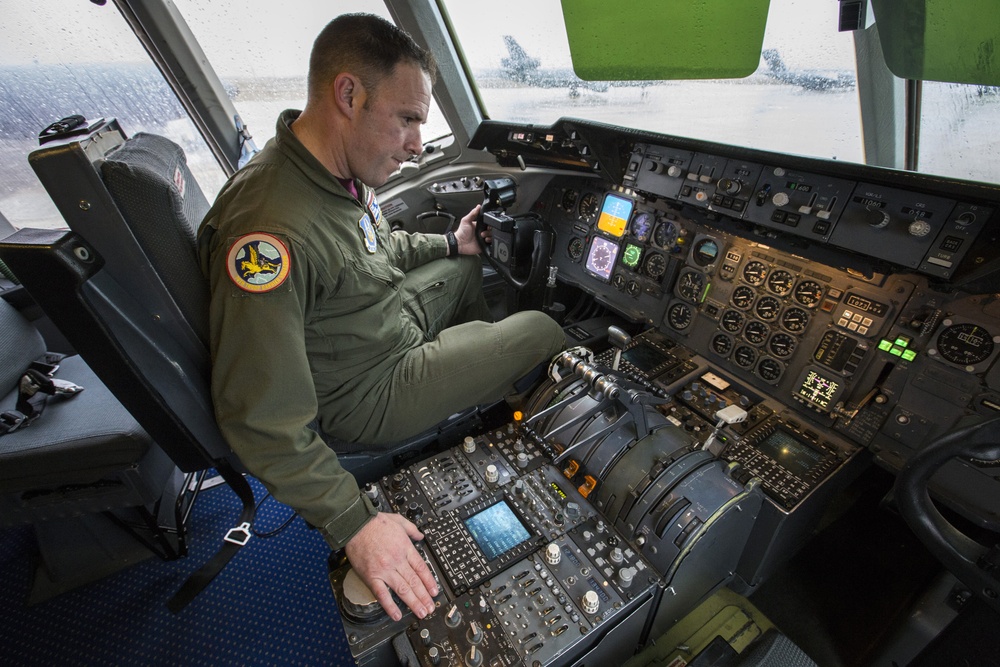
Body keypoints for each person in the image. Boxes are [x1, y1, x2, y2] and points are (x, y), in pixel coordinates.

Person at [196, 14, 565, 622]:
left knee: (469, 269)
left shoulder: (332, 171)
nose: (418, 144)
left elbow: (378, 247)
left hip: (381, 320)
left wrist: (451, 245)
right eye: (409, 119)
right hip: (367, 388)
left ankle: (480, 397)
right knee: (544, 331)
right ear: (349, 96)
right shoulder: (270, 233)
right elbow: (261, 418)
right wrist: (355, 524)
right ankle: (486, 390)